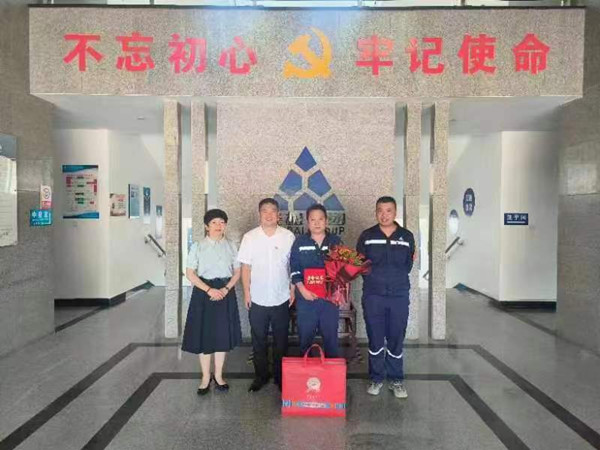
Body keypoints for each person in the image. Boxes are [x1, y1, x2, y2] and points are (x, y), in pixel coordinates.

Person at [356, 196, 415, 399]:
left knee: (396, 337)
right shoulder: (367, 236)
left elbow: (408, 265)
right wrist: (375, 280)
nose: (384, 215)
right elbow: (359, 264)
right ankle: (376, 378)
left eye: (388, 210)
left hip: (399, 295)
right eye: (380, 210)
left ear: (395, 212)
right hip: (373, 296)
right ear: (376, 212)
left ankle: (396, 379)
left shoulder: (406, 236)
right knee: (375, 337)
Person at [182, 209, 242, 395]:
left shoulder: (231, 246)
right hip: (203, 292)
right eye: (214, 222)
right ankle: (205, 377)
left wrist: (225, 289)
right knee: (204, 335)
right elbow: (190, 273)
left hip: (225, 291)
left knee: (222, 335)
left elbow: (237, 271)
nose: (218, 226)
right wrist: (209, 290)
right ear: (206, 226)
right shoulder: (197, 246)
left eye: (222, 222)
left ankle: (219, 375)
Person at [238, 198, 295, 392]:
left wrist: (293, 289)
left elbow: (292, 267)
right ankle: (261, 376)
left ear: (278, 215)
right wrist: (247, 292)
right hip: (257, 297)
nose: (269, 214)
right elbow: (246, 267)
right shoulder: (250, 237)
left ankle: (280, 377)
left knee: (281, 340)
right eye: (265, 211)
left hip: (282, 296)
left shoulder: (288, 236)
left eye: (273, 211)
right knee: (258, 340)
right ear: (259, 214)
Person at [290, 204, 342, 358]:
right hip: (306, 300)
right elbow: (294, 269)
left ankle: (331, 371)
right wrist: (302, 290)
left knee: (331, 339)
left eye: (320, 219)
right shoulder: (300, 242)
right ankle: (307, 371)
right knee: (305, 339)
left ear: (326, 221)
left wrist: (337, 289)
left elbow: (342, 269)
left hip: (329, 300)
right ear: (308, 222)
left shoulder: (336, 241)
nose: (317, 223)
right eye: (313, 220)